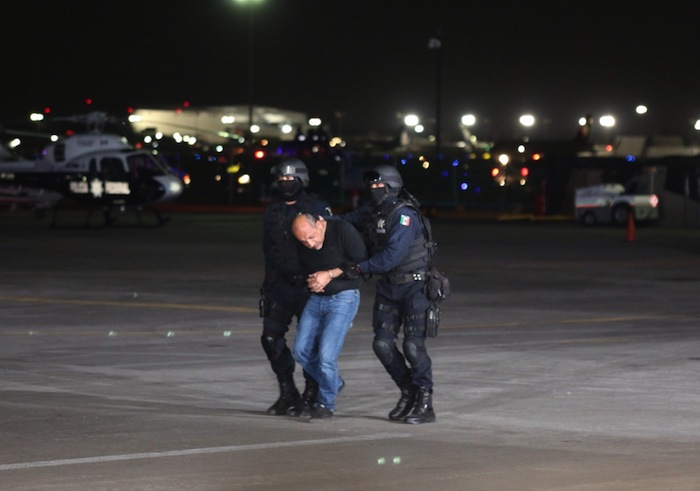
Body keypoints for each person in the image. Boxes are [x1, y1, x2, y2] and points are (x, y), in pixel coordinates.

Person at [341, 164, 437, 424]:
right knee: (382, 344)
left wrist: (360, 268)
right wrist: (318, 220)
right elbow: (346, 222)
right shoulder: (374, 211)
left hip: (414, 288)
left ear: (392, 186)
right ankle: (408, 392)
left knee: (412, 346)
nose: (373, 190)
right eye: (370, 186)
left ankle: (425, 402)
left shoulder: (404, 215)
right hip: (388, 288)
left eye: (378, 185)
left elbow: (390, 257)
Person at [259, 157, 332, 417]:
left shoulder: (317, 207)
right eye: (281, 180)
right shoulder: (273, 210)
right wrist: (267, 285)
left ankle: (311, 395)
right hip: (280, 286)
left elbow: (329, 244)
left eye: (291, 179)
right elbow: (269, 249)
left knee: (309, 345)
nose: (285, 183)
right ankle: (287, 392)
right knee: (269, 338)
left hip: (308, 287)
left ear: (302, 180)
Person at [291, 213, 367, 422]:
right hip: (316, 299)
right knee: (301, 351)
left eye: (311, 236)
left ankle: (326, 403)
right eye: (303, 241)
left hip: (343, 298)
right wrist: (312, 281)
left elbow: (361, 262)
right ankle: (333, 382)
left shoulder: (342, 231)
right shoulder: (304, 244)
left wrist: (329, 274)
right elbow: (305, 268)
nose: (309, 243)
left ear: (321, 223)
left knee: (326, 357)